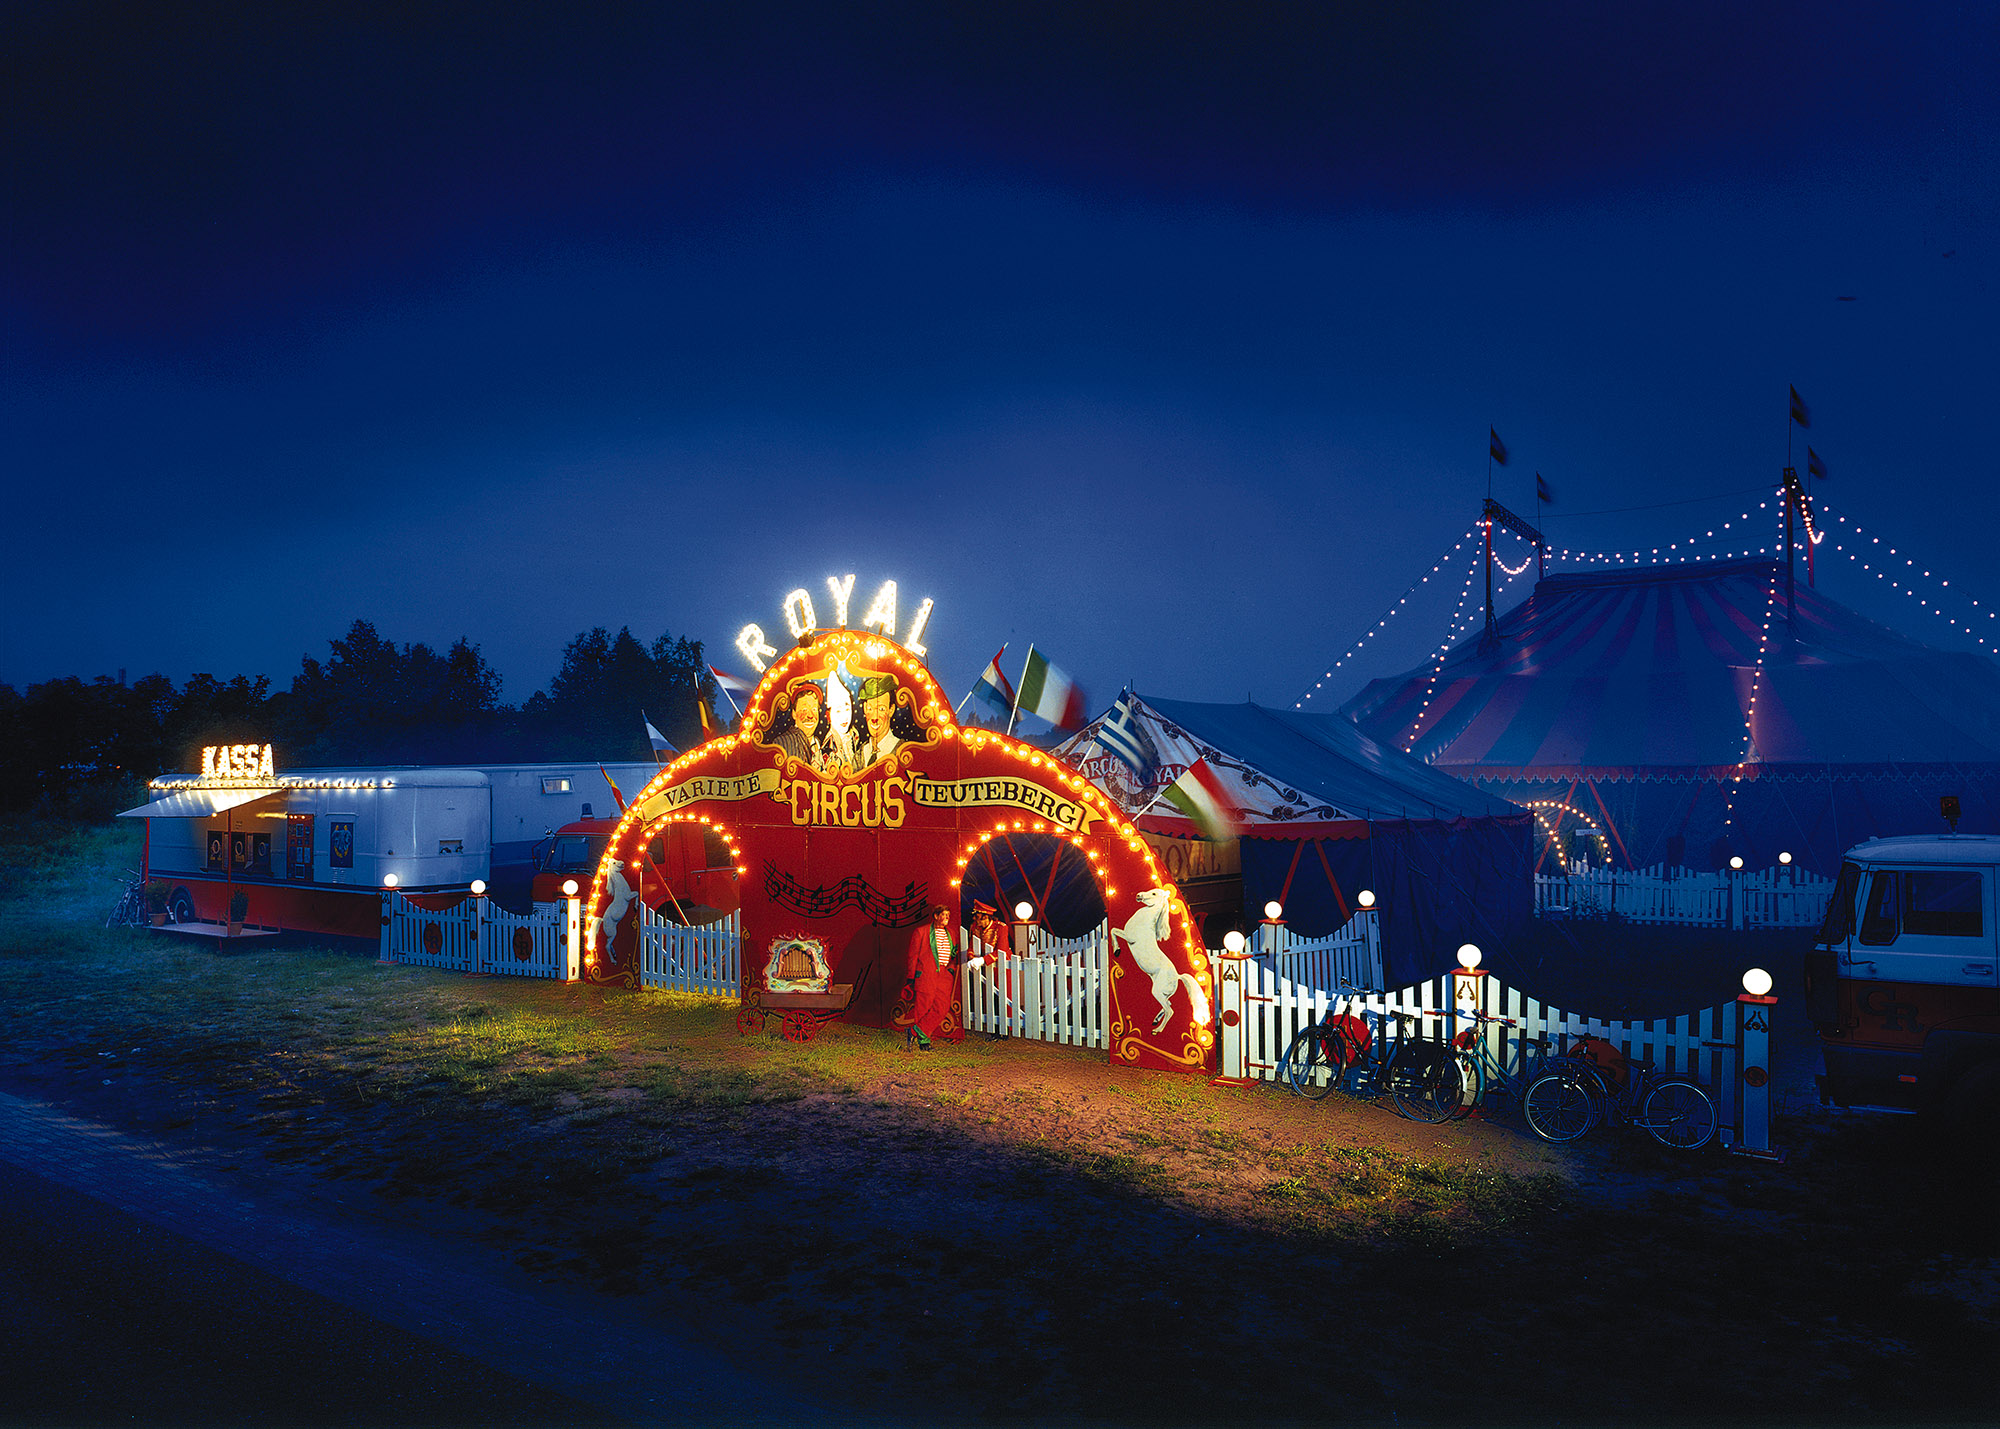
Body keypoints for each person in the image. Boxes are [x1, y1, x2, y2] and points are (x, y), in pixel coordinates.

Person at [903, 903, 960, 1051]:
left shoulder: (951, 933)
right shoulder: (921, 932)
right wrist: (911, 976)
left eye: (948, 915)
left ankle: (914, 1031)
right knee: (923, 1006)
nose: (947, 918)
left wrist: (951, 970)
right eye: (944, 915)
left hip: (944, 974)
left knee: (942, 1007)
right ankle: (924, 1042)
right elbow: (912, 955)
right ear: (936, 916)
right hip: (926, 973)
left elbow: (953, 954)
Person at [771, 679, 827, 770]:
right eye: (804, 710)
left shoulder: (820, 744)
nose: (810, 715)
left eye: (814, 709)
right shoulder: (782, 743)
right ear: (794, 713)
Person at [852, 673, 904, 769]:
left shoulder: (902, 751)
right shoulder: (859, 755)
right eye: (870, 709)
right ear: (864, 709)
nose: (874, 718)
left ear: (891, 710)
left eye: (881, 709)